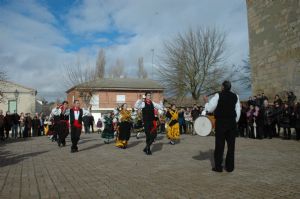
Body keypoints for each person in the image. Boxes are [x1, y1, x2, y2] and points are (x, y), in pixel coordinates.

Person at [203, 80, 241, 172]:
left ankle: (218, 167)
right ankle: (230, 167)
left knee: (220, 145)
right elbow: (238, 111)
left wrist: (206, 102)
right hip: (232, 123)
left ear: (223, 87)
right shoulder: (236, 96)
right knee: (231, 146)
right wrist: (234, 121)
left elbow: (210, 109)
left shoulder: (218, 95)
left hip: (221, 123)